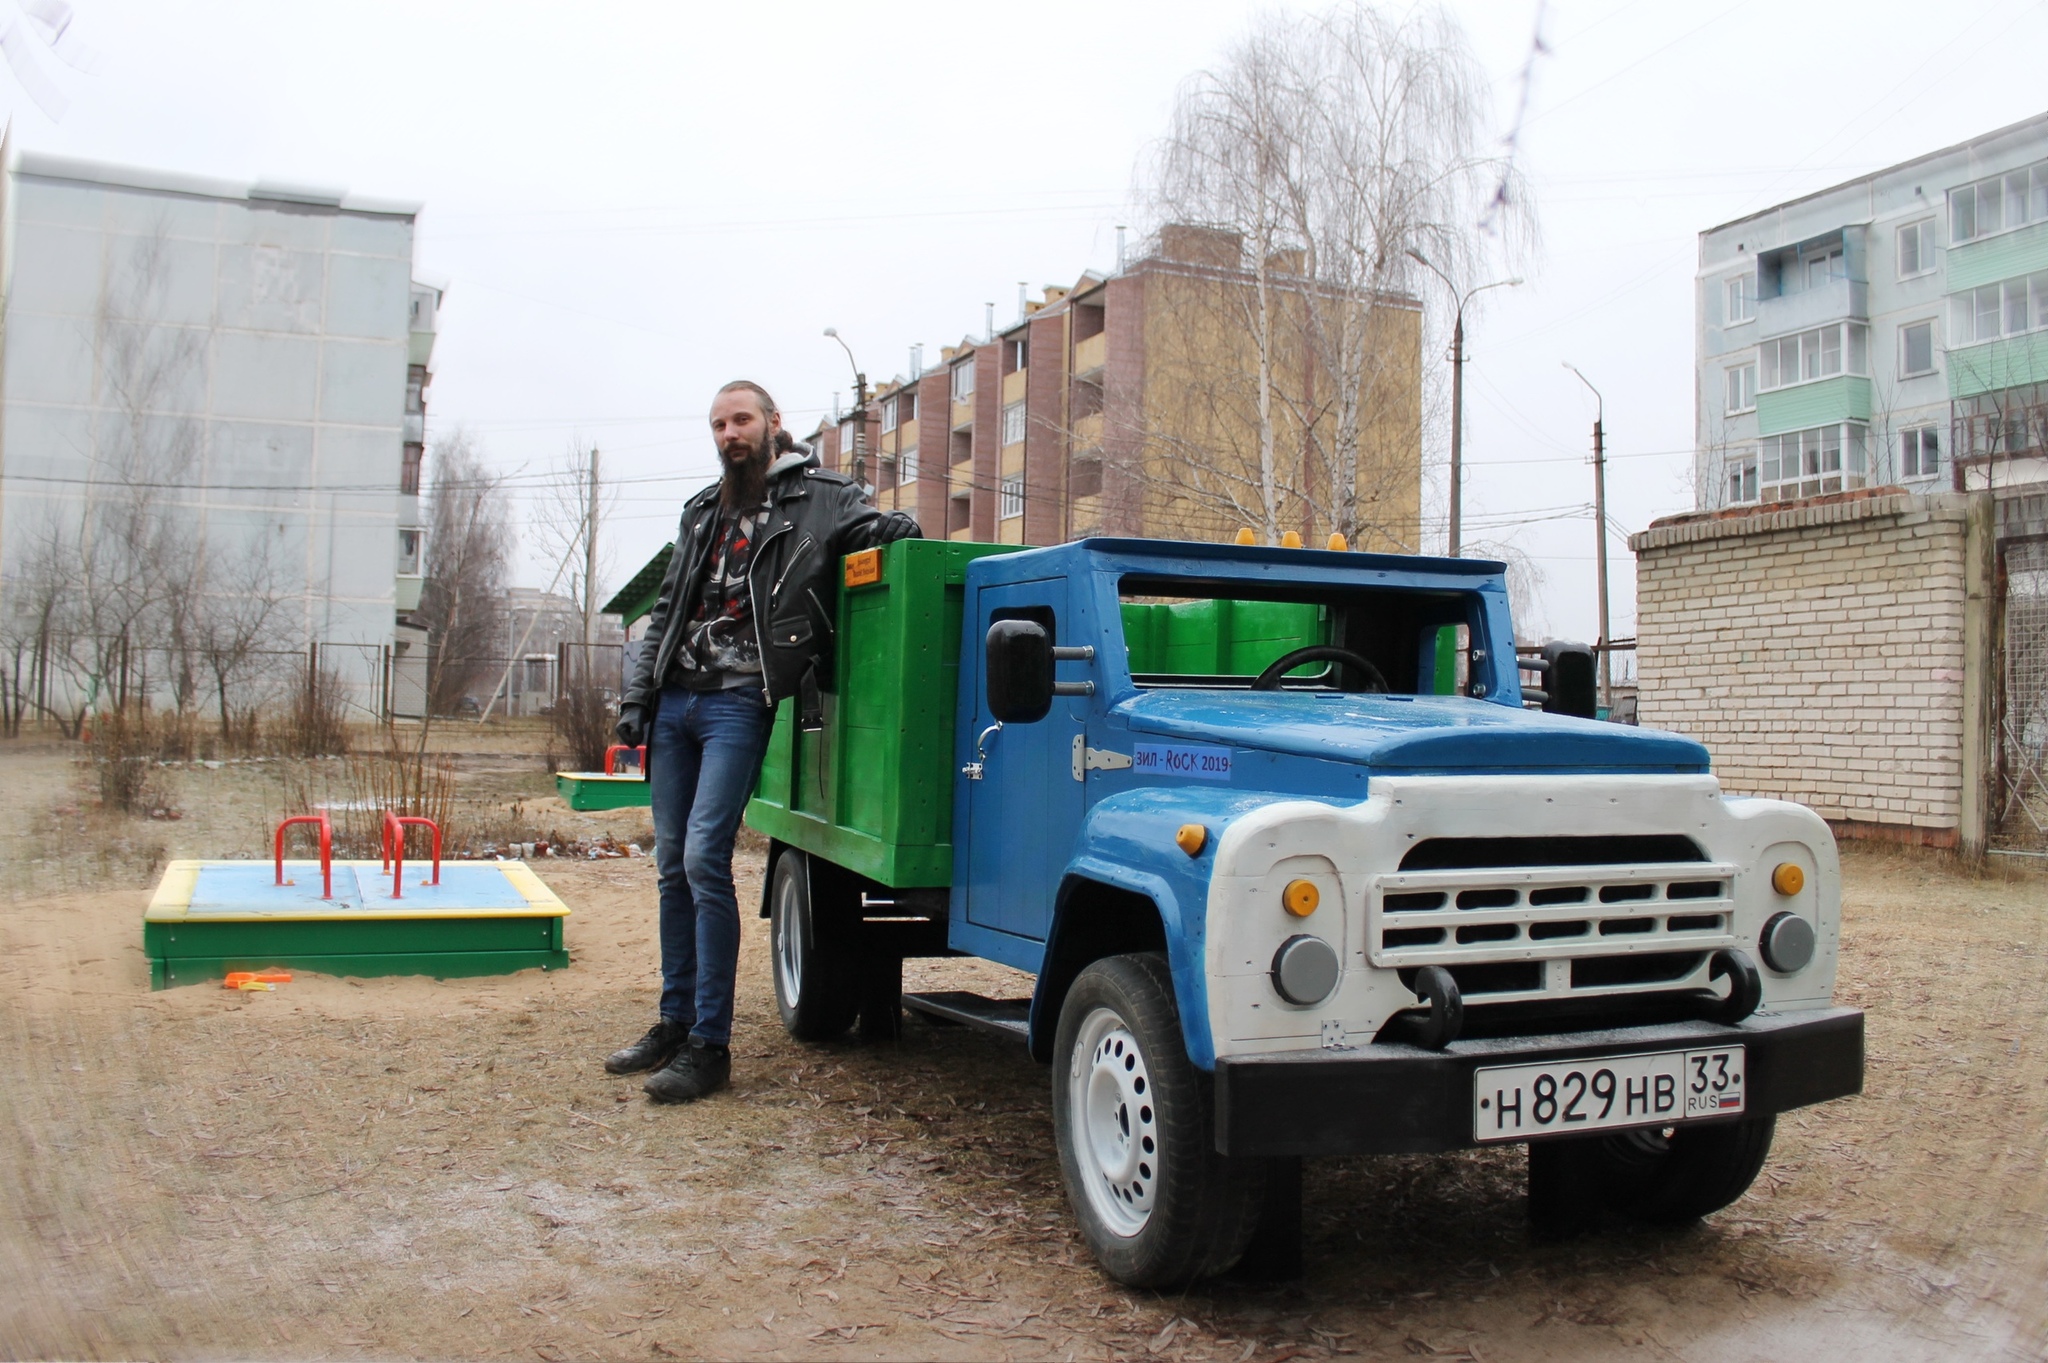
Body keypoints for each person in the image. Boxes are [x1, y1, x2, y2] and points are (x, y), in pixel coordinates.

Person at [605, 380, 919, 1102]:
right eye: (718, 424)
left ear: (773, 424)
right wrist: (637, 697)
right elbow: (665, 613)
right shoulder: (700, 511)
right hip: (676, 701)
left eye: (741, 420)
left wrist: (894, 531)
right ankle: (673, 1022)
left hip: (738, 701)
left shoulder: (826, 497)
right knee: (669, 868)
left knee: (702, 858)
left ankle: (711, 1046)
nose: (729, 434)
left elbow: (871, 531)